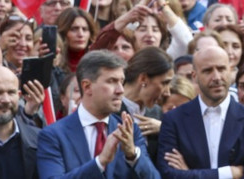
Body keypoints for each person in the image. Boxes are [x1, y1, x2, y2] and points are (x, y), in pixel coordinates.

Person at [36, 50, 158, 178]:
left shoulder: (129, 130)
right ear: (87, 86)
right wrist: (100, 162)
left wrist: (133, 155)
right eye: (111, 81)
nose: (120, 90)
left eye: (121, 82)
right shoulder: (53, 135)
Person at [157, 46, 244, 177]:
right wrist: (227, 174)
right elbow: (168, 174)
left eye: (221, 69)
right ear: (195, 76)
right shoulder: (174, 119)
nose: (216, 77)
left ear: (231, 71)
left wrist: (189, 174)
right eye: (208, 71)